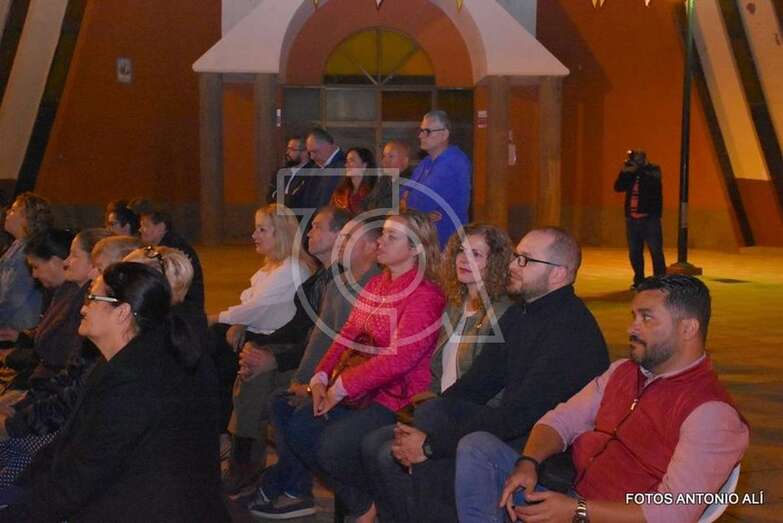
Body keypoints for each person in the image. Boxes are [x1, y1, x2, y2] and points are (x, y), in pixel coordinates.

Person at [456, 275, 749, 523]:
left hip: (608, 515)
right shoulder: (623, 372)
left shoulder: (712, 413)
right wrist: (528, 462)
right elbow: (560, 420)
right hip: (570, 494)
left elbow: (674, 512)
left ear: (688, 328)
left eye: (646, 318)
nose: (632, 328)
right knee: (477, 447)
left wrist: (577, 511)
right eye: (634, 317)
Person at [388, 227, 610, 523]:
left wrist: (430, 445)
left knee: (457, 448)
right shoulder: (523, 314)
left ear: (558, 274)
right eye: (516, 257)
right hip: (516, 427)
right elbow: (476, 384)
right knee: (433, 414)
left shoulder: (570, 331)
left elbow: (521, 415)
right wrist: (420, 428)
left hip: (548, 451)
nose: (512, 265)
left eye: (525, 260)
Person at [0, 263, 228, 521]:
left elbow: (82, 477)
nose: (83, 307)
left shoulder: (136, 379)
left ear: (122, 312)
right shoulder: (130, 360)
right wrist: (19, 490)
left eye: (92, 298)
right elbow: (69, 448)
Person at [277, 210, 445, 522]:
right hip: (362, 390)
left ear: (415, 248)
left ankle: (365, 506)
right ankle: (362, 503)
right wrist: (321, 377)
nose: (381, 241)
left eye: (392, 237)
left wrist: (342, 387)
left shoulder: (425, 294)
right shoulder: (378, 284)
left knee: (332, 445)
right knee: (300, 425)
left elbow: (400, 358)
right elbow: (347, 335)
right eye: (382, 235)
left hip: (398, 397)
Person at [359, 223, 515, 522]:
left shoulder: (503, 314)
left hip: (472, 419)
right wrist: (418, 415)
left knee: (385, 454)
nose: (463, 259)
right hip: (439, 409)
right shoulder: (454, 306)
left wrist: (429, 426)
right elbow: (436, 373)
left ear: (495, 262)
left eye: (476, 254)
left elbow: (489, 389)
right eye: (460, 251)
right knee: (372, 444)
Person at [248, 214, 384, 518]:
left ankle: (353, 498)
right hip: (331, 380)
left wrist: (322, 387)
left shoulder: (377, 288)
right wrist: (303, 380)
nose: (341, 243)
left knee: (302, 421)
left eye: (349, 238)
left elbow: (364, 353)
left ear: (371, 247)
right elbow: (321, 339)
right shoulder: (337, 285)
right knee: (282, 402)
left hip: (360, 388)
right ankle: (294, 487)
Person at [221, 206, 349, 497]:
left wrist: (274, 359)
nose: (308, 233)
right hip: (304, 354)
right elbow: (297, 327)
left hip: (325, 366)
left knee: (256, 375)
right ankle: (244, 460)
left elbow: (325, 340)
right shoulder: (319, 278)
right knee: (249, 358)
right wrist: (256, 342)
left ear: (339, 235)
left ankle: (248, 464)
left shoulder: (340, 280)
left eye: (317, 227)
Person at [208, 204, 312, 455]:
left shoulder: (292, 268)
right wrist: (238, 323)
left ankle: (231, 441)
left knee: (214, 346)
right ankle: (223, 434)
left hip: (278, 339)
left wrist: (214, 318)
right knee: (213, 346)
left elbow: (256, 306)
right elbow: (252, 304)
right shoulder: (272, 267)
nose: (254, 235)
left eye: (262, 230)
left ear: (281, 233)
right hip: (261, 332)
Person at [401, 110, 471, 247]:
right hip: (425, 238)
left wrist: (413, 206)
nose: (420, 136)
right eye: (421, 131)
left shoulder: (454, 160)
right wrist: (424, 215)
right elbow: (402, 193)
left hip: (446, 241)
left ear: (444, 134)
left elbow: (421, 202)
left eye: (427, 131)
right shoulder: (426, 161)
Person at [0, 193, 53, 337]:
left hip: (16, 328)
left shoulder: (27, 252)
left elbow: (13, 297)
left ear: (26, 219)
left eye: (13, 210)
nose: (7, 213)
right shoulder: (17, 245)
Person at [613, 149, 665, 288]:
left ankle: (660, 281)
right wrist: (624, 172)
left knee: (656, 251)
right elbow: (618, 187)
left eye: (637, 158)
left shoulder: (653, 170)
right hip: (632, 220)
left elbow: (653, 181)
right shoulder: (631, 173)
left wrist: (637, 169)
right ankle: (639, 280)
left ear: (644, 159)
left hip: (650, 219)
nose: (635, 161)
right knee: (634, 252)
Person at [139, 206, 205, 309]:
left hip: (183, 309)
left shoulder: (172, 251)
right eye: (141, 225)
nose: (140, 229)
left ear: (161, 227)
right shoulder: (164, 245)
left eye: (146, 226)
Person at [363, 140, 412, 212]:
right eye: (384, 156)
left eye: (391, 156)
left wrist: (372, 206)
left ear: (405, 161)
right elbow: (366, 202)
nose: (384, 161)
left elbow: (387, 206)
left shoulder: (409, 181)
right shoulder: (384, 179)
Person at [331, 147, 377, 214]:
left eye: (351, 160)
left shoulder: (374, 191)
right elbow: (330, 213)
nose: (346, 165)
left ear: (364, 165)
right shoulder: (339, 193)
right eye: (346, 161)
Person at [268, 137, 311, 205]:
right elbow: (269, 196)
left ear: (304, 152)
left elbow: (296, 200)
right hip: (276, 210)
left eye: (292, 149)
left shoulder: (311, 174)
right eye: (288, 149)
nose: (287, 152)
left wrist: (278, 196)